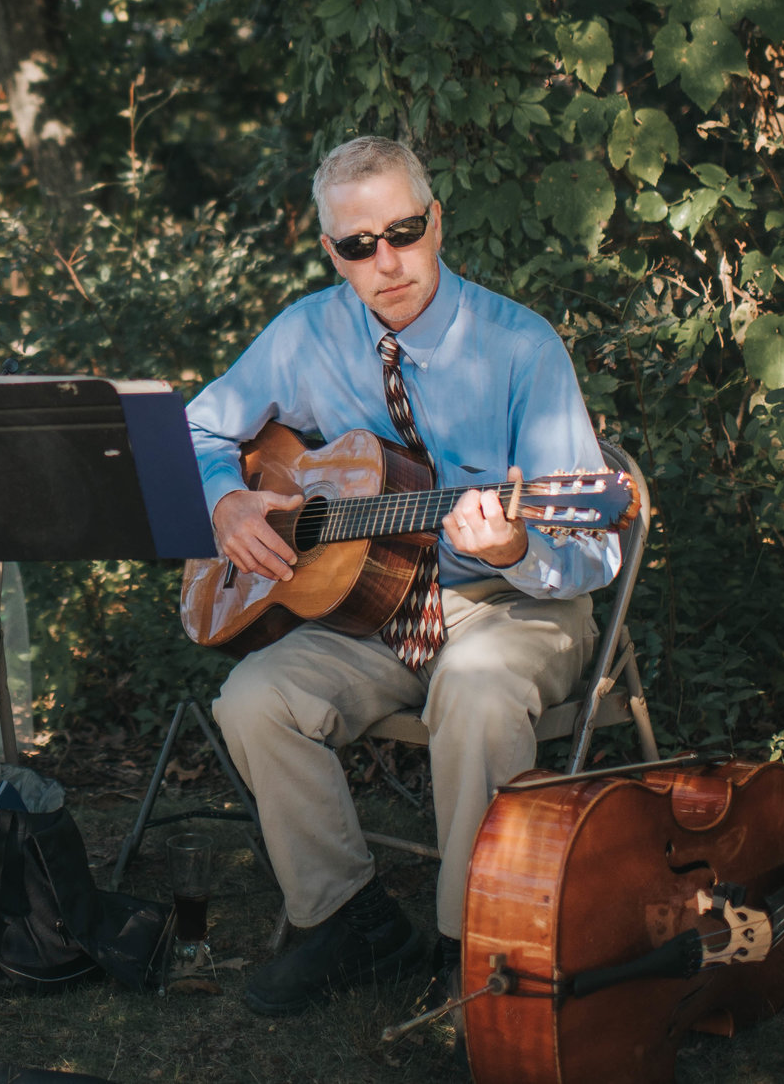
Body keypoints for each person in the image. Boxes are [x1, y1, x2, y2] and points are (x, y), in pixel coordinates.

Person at [188, 135, 619, 1018]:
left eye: (405, 230)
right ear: (330, 253)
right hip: (378, 610)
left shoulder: (521, 347)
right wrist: (227, 499)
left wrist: (512, 548)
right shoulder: (306, 333)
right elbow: (196, 428)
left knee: (478, 687)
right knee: (252, 697)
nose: (387, 261)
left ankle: (474, 952)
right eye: (358, 245)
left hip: (516, 603)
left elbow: (595, 553)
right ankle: (346, 920)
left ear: (436, 221)